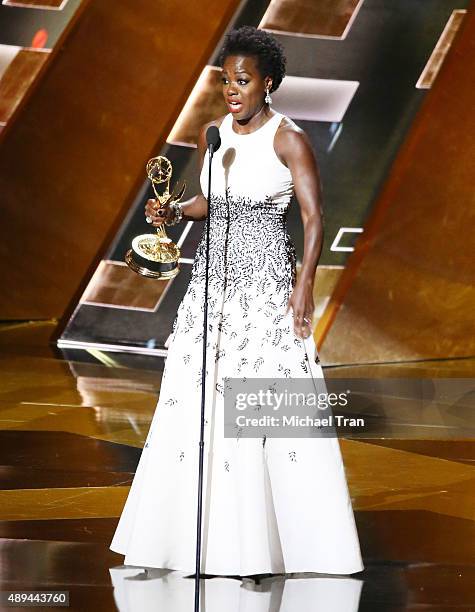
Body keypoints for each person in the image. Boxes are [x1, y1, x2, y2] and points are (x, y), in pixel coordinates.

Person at [110, 26, 364, 578]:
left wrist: (304, 283)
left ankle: (261, 547)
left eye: (242, 81)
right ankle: (194, 542)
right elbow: (212, 201)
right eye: (226, 81)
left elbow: (314, 217)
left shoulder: (287, 139)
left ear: (267, 83)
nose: (232, 90)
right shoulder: (217, 134)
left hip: (263, 289)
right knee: (198, 401)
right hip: (211, 288)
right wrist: (176, 211)